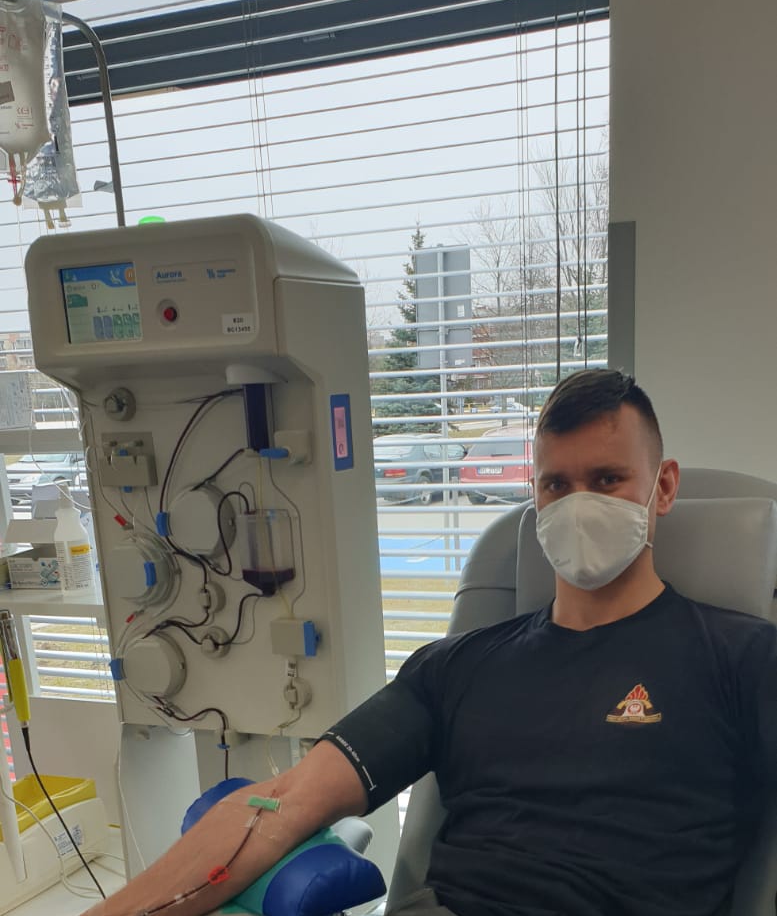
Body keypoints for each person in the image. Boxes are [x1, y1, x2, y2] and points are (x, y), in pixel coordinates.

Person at [83, 369, 777, 916]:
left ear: (662, 487)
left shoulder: (741, 659)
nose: (578, 506)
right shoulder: (459, 668)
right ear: (535, 499)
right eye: (556, 485)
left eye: (606, 480)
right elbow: (283, 801)